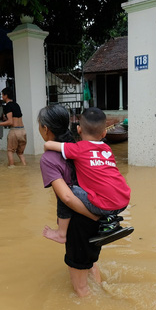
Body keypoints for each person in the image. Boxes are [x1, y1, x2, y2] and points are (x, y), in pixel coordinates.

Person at [38, 104, 103, 297]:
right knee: (90, 265)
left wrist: (91, 216)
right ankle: (104, 292)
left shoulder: (49, 159)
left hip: (80, 221)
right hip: (95, 209)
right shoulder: (78, 147)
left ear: (45, 129)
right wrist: (97, 216)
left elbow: (66, 197)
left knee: (80, 288)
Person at [43, 107, 132, 245]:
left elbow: (49, 144)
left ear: (79, 130)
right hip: (123, 200)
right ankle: (110, 220)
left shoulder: (78, 148)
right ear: (104, 133)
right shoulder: (107, 149)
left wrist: (46, 146)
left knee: (66, 191)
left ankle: (61, 233)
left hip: (104, 205)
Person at [0, 87, 27, 167]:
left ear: (6, 95)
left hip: (14, 131)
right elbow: (14, 118)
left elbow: (10, 122)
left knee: (10, 151)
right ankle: (24, 166)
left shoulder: (8, 106)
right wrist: (5, 118)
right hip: (23, 131)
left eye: (2, 95)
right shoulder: (16, 105)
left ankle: (11, 169)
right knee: (20, 153)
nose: (2, 97)